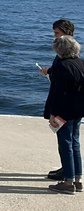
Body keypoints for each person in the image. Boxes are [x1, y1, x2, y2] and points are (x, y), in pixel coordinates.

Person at [44, 35, 84, 194]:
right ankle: (77, 179)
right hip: (78, 110)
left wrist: (53, 114)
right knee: (75, 143)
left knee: (65, 144)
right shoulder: (80, 63)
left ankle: (68, 182)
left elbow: (58, 93)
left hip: (65, 112)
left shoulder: (62, 67)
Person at [40, 19, 75, 181]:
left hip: (65, 107)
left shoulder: (65, 55)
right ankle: (73, 173)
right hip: (75, 106)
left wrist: (54, 113)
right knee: (72, 141)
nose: (54, 37)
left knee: (66, 141)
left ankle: (68, 176)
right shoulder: (75, 57)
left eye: (57, 33)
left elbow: (62, 85)